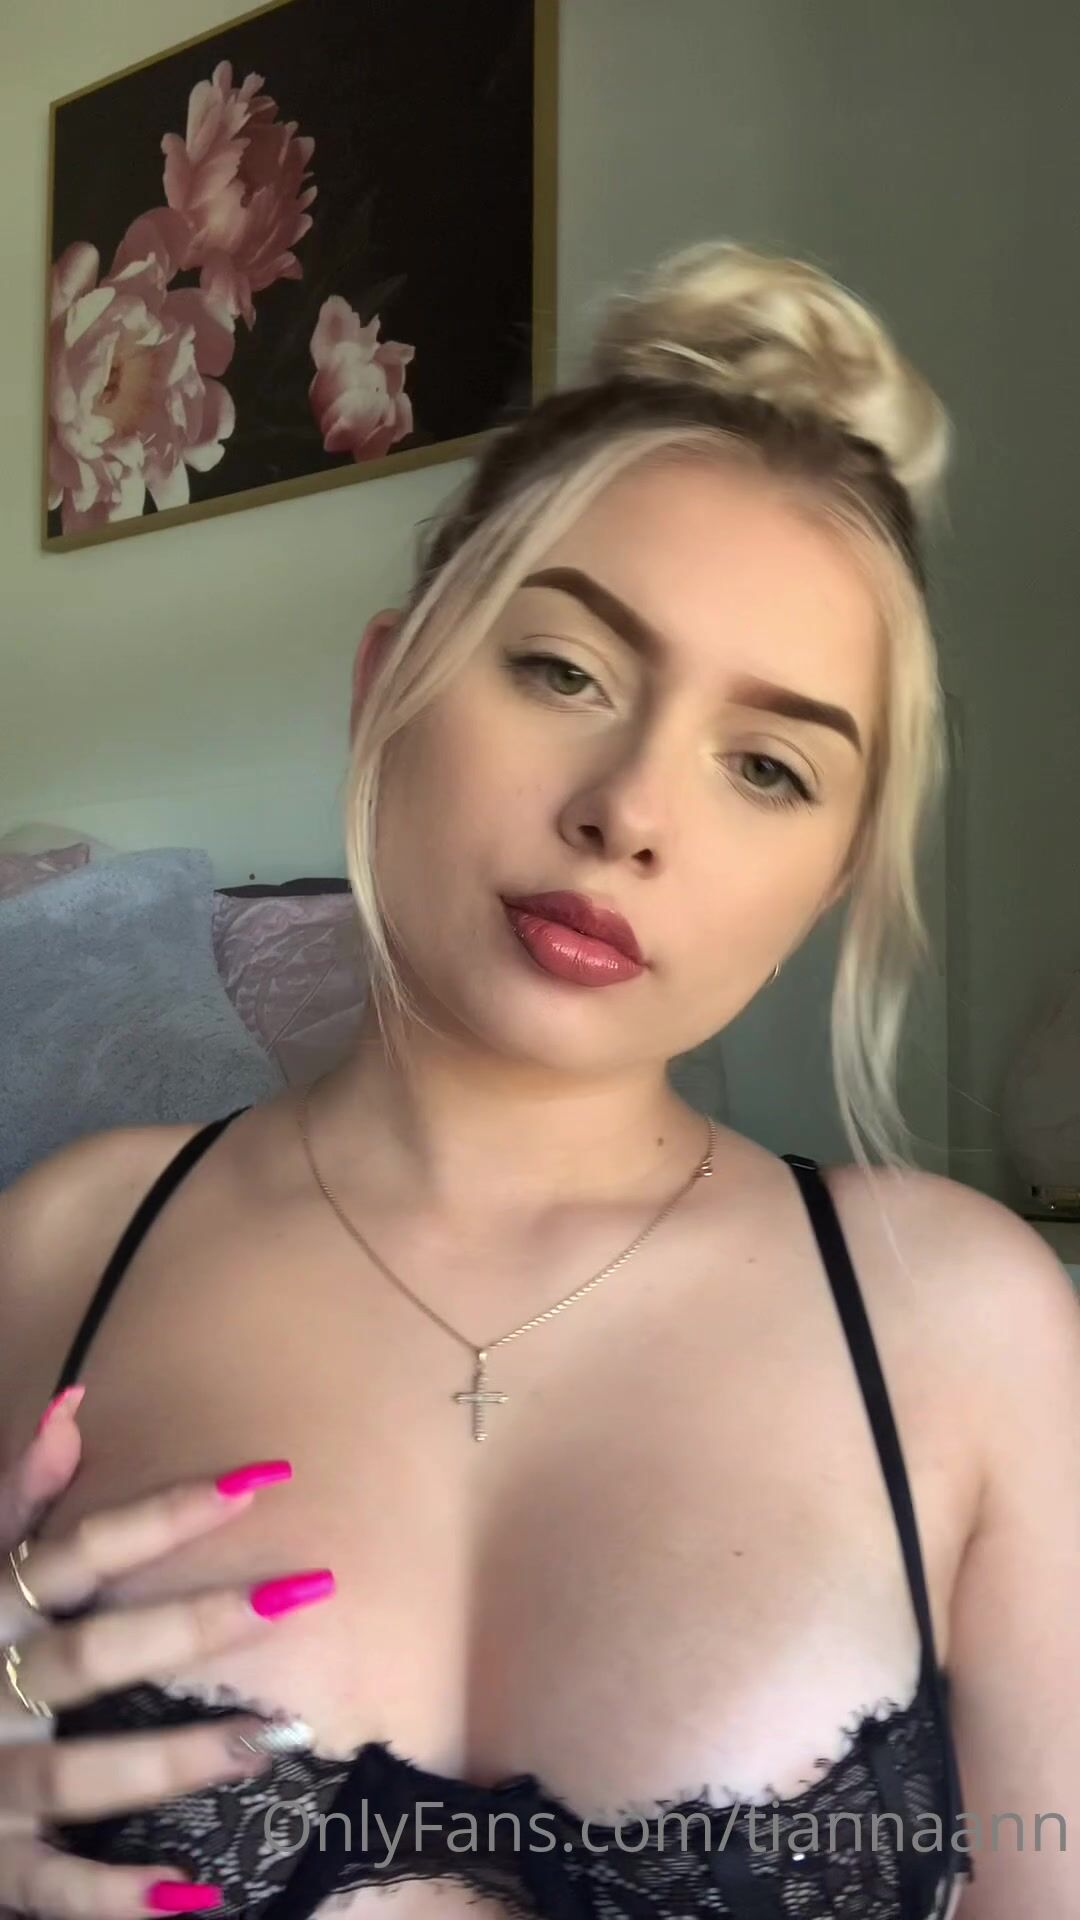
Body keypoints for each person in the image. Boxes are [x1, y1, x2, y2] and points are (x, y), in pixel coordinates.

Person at [0, 240, 1076, 1920]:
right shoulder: (66, 1243)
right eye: (565, 670)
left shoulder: (971, 1325)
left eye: (767, 767)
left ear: (831, 878)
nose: (630, 809)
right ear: (387, 690)